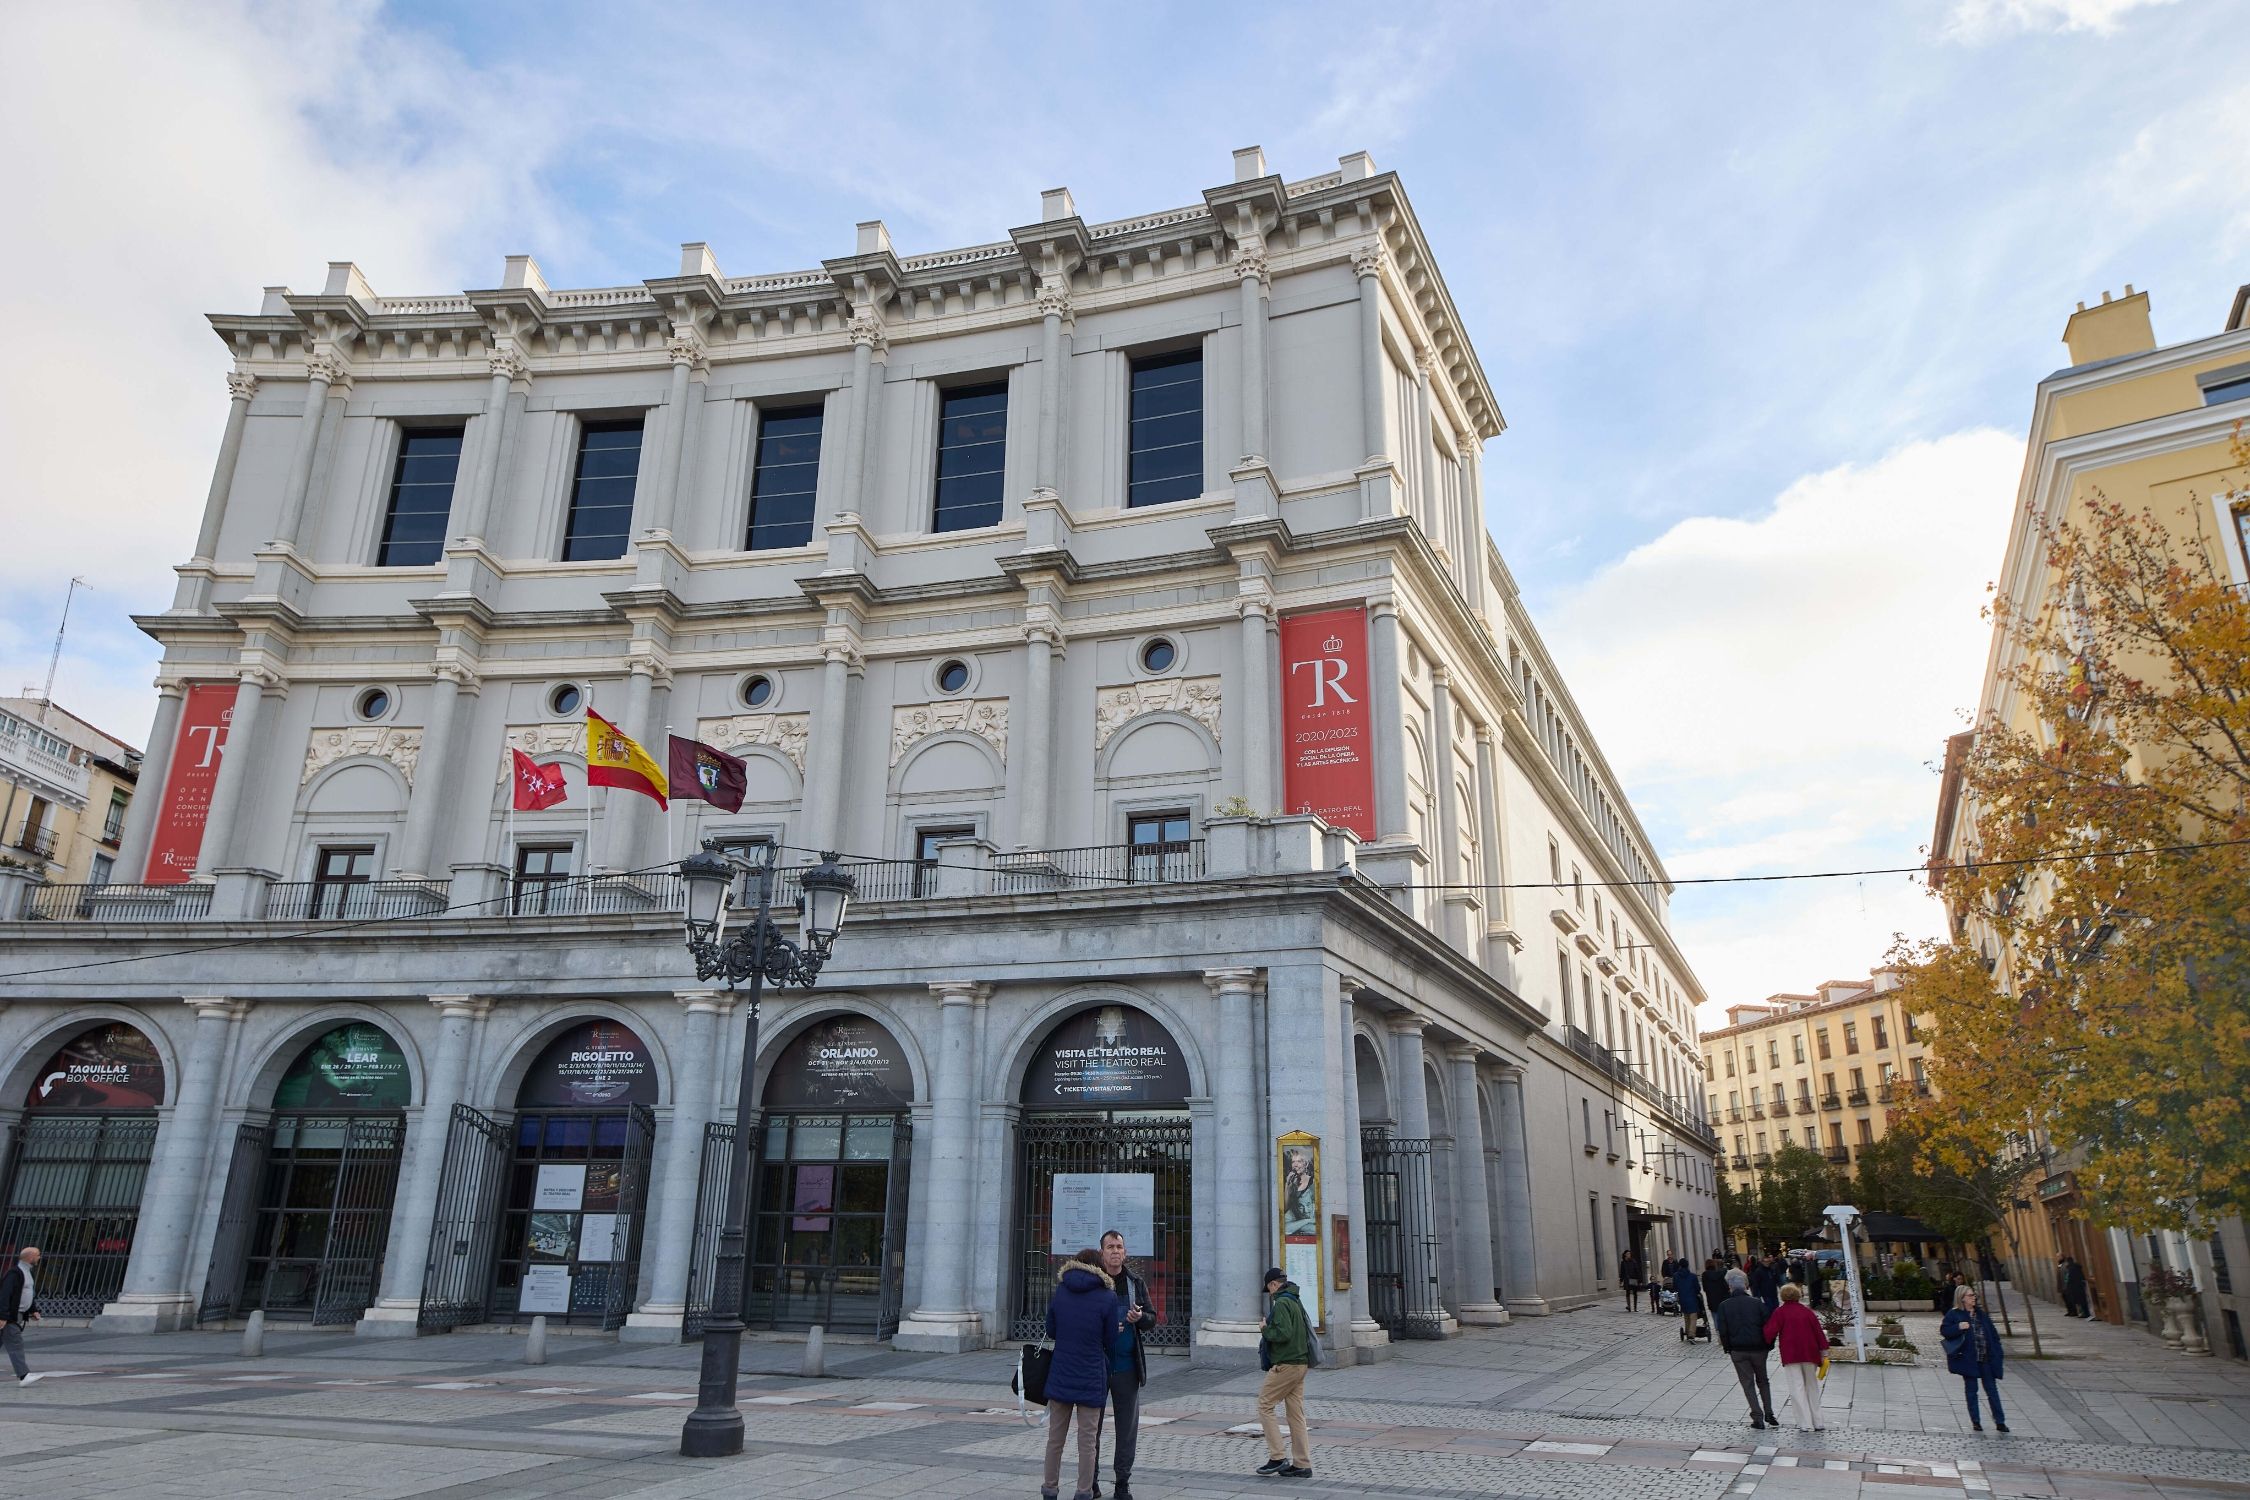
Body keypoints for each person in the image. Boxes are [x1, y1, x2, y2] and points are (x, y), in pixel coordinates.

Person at [1042, 1249, 1119, 1500]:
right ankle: (1084, 1492)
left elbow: (1051, 1329)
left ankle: (1050, 1489)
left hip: (1061, 1372)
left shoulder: (1061, 1291)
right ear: (1099, 1267)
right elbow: (1109, 1339)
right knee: (1087, 1441)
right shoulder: (1107, 1297)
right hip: (1090, 1374)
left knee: (1055, 1438)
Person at [1094, 1231, 1151, 1500]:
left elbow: (1152, 1319)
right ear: (1102, 1252)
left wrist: (1139, 1317)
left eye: (1119, 1247)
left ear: (1125, 1252)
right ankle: (1089, 1480)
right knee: (1090, 1427)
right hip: (1096, 1366)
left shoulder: (1135, 1282)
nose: (1115, 1251)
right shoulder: (1093, 1282)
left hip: (1127, 1367)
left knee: (1126, 1429)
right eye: (1110, 1247)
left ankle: (1122, 1483)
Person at [1255, 1266, 1314, 1479]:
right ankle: (1302, 1464)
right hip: (1300, 1363)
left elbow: (1283, 1333)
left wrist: (1264, 1329)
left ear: (1273, 1284)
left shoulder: (1281, 1303)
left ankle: (1278, 1457)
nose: (1269, 1293)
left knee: (1265, 1404)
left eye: (1269, 1288)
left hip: (1286, 1365)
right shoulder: (1295, 1300)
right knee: (1295, 1414)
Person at [1713, 1268, 1781, 1429]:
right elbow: (1768, 1325)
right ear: (1745, 1287)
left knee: (1748, 1383)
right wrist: (1768, 1345)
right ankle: (1769, 1411)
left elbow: (1722, 1330)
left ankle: (1757, 1416)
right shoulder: (1757, 1303)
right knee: (1763, 1380)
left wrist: (1728, 1348)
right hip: (1759, 1349)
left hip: (1738, 1350)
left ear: (1730, 1287)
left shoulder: (1724, 1306)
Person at [1942, 1285, 2010, 1433]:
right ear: (1962, 1298)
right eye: (1970, 1295)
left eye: (1974, 1295)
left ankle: (2000, 1422)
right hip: (1969, 1359)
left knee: (1992, 1391)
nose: (1974, 1298)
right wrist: (1958, 1327)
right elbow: (1945, 1330)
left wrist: (1998, 1352)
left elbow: (1993, 1334)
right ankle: (1976, 1421)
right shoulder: (1954, 1314)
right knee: (1972, 1390)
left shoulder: (1981, 1314)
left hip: (1986, 1358)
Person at [1763, 1282, 1829, 1432]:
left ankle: (1805, 1423)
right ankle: (1818, 1421)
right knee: (1812, 1386)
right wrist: (1824, 1351)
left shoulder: (1780, 1312)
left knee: (1797, 1387)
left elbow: (1769, 1332)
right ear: (1798, 1295)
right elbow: (1818, 1332)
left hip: (1791, 1353)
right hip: (1810, 1353)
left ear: (1783, 1296)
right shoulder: (1807, 1312)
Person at [0, 1247, 39, 1384]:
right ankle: (24, 1375)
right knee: (16, 1344)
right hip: (10, 1316)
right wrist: (3, 1316)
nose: (39, 1258)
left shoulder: (28, 1273)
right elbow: (5, 1295)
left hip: (16, 1315)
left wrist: (33, 1310)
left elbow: (28, 1294)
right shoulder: (15, 1273)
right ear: (30, 1257)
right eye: (37, 1255)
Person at [1672, 1255, 1705, 1342]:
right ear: (1687, 1265)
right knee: (1693, 1316)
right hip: (1692, 1298)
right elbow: (1697, 1288)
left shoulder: (1675, 1276)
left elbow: (1674, 1288)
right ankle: (1691, 1334)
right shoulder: (1692, 1276)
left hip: (1682, 1298)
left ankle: (1687, 1331)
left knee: (1686, 1316)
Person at [1700, 1256, 1730, 1335]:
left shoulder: (1704, 1275)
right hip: (1722, 1298)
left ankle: (1718, 1333)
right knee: (1723, 1316)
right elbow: (1725, 1286)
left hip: (1711, 1299)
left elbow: (1705, 1288)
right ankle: (1724, 1331)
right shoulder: (1721, 1274)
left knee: (1715, 1316)